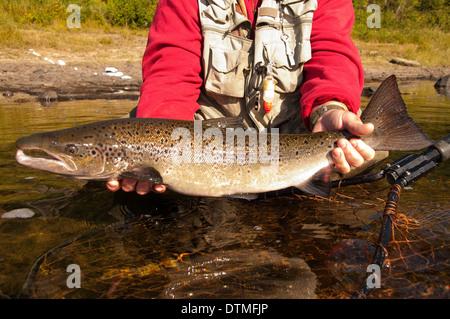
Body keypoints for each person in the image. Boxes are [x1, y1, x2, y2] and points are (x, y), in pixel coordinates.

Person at [107, 0, 376, 196]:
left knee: (367, 143)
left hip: (296, 130)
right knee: (127, 147)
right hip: (209, 135)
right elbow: (171, 73)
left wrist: (329, 107)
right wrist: (155, 149)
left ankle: (313, 171)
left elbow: (331, 54)